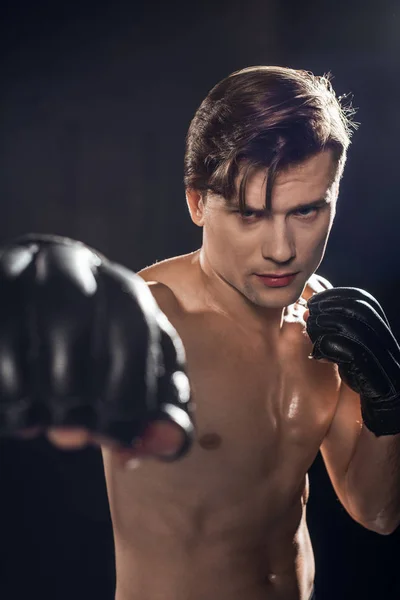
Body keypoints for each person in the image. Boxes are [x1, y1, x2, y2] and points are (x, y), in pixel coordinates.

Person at [1, 66, 400, 600]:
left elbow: (378, 511)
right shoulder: (150, 317)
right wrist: (26, 297)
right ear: (197, 202)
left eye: (306, 211)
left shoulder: (328, 321)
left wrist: (391, 402)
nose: (281, 249)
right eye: (249, 215)